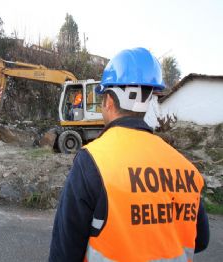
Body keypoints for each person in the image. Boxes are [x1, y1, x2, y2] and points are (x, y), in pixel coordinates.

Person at [49, 47, 209, 262]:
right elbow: (201, 240)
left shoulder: (92, 161)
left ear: (108, 101)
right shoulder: (187, 169)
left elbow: (64, 252)